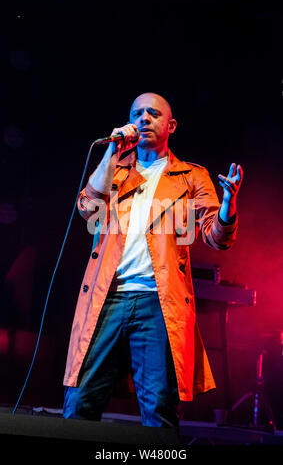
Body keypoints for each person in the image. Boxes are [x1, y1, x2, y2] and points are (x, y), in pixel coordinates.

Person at [62, 92, 243, 431]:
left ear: (170, 125)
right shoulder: (115, 171)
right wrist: (113, 152)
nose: (144, 118)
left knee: (159, 406)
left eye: (153, 113)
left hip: (158, 301)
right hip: (107, 297)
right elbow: (87, 209)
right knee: (80, 401)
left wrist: (228, 204)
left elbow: (217, 237)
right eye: (137, 113)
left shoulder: (191, 177)